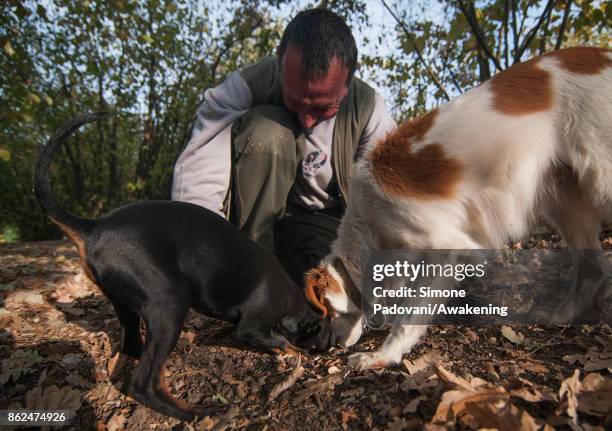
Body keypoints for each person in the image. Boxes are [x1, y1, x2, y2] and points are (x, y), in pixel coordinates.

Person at [172, 8, 396, 285]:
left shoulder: (369, 110)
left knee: (338, 282)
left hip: (320, 223)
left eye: (323, 107)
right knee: (269, 131)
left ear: (349, 78)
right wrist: (199, 249)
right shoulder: (244, 86)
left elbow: (385, 200)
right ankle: (249, 277)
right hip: (244, 225)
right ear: (280, 59)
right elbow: (200, 170)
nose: (307, 119)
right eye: (296, 102)